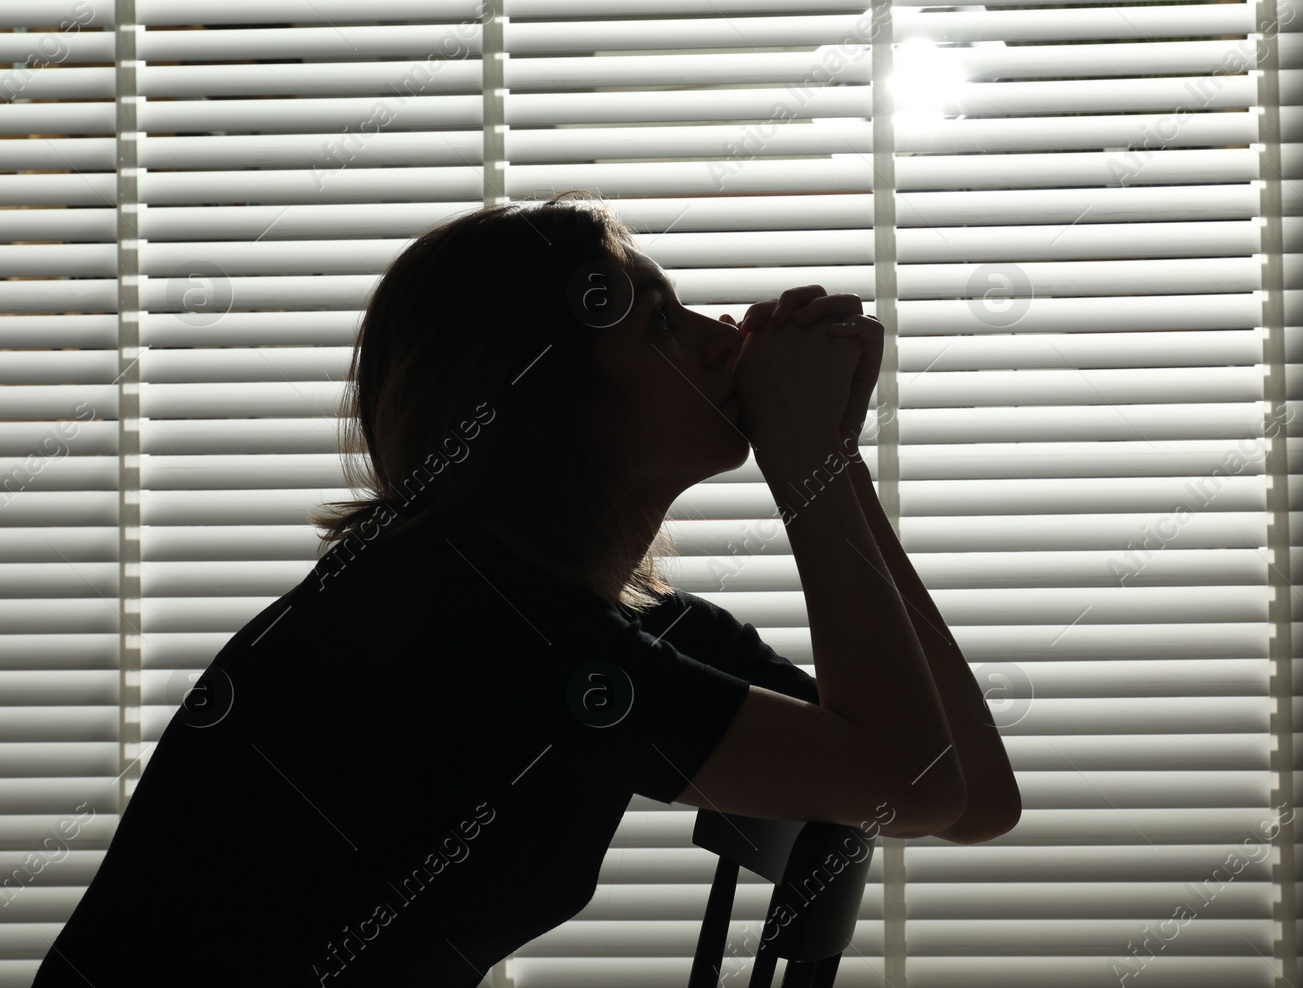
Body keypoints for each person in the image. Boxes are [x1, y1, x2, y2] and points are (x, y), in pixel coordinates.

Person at [29, 192, 1003, 987]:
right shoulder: (466, 622)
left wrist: (829, 459)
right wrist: (804, 462)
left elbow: (966, 796)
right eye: (659, 321)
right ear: (548, 403)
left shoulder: (606, 623)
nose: (724, 338)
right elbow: (922, 782)